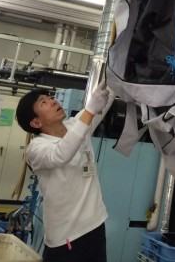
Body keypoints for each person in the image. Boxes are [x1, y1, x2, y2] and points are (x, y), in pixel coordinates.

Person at [15, 83, 114, 262]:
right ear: (36, 122)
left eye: (50, 98)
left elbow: (105, 99)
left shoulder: (76, 125)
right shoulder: (35, 148)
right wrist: (90, 110)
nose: (53, 102)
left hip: (95, 226)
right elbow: (60, 155)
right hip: (66, 237)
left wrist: (116, 78)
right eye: (44, 102)